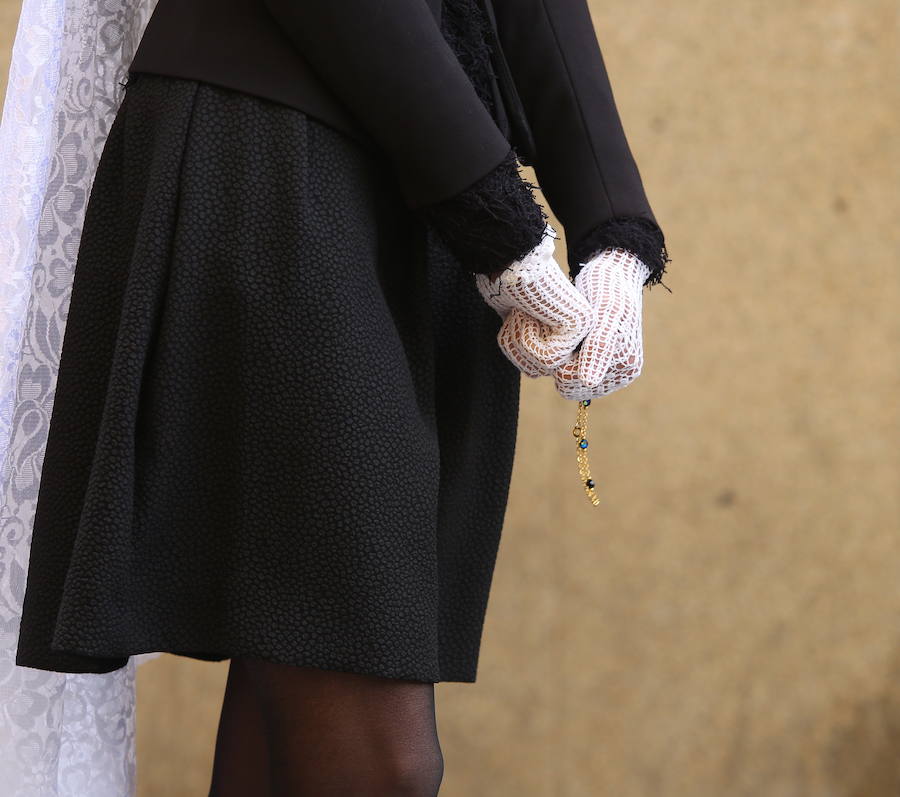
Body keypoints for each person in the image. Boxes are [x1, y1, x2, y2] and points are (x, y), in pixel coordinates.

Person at [9, 0, 669, 793]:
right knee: (379, 755)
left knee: (294, 704)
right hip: (273, 164)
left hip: (434, 193)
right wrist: (494, 216)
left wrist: (616, 229)